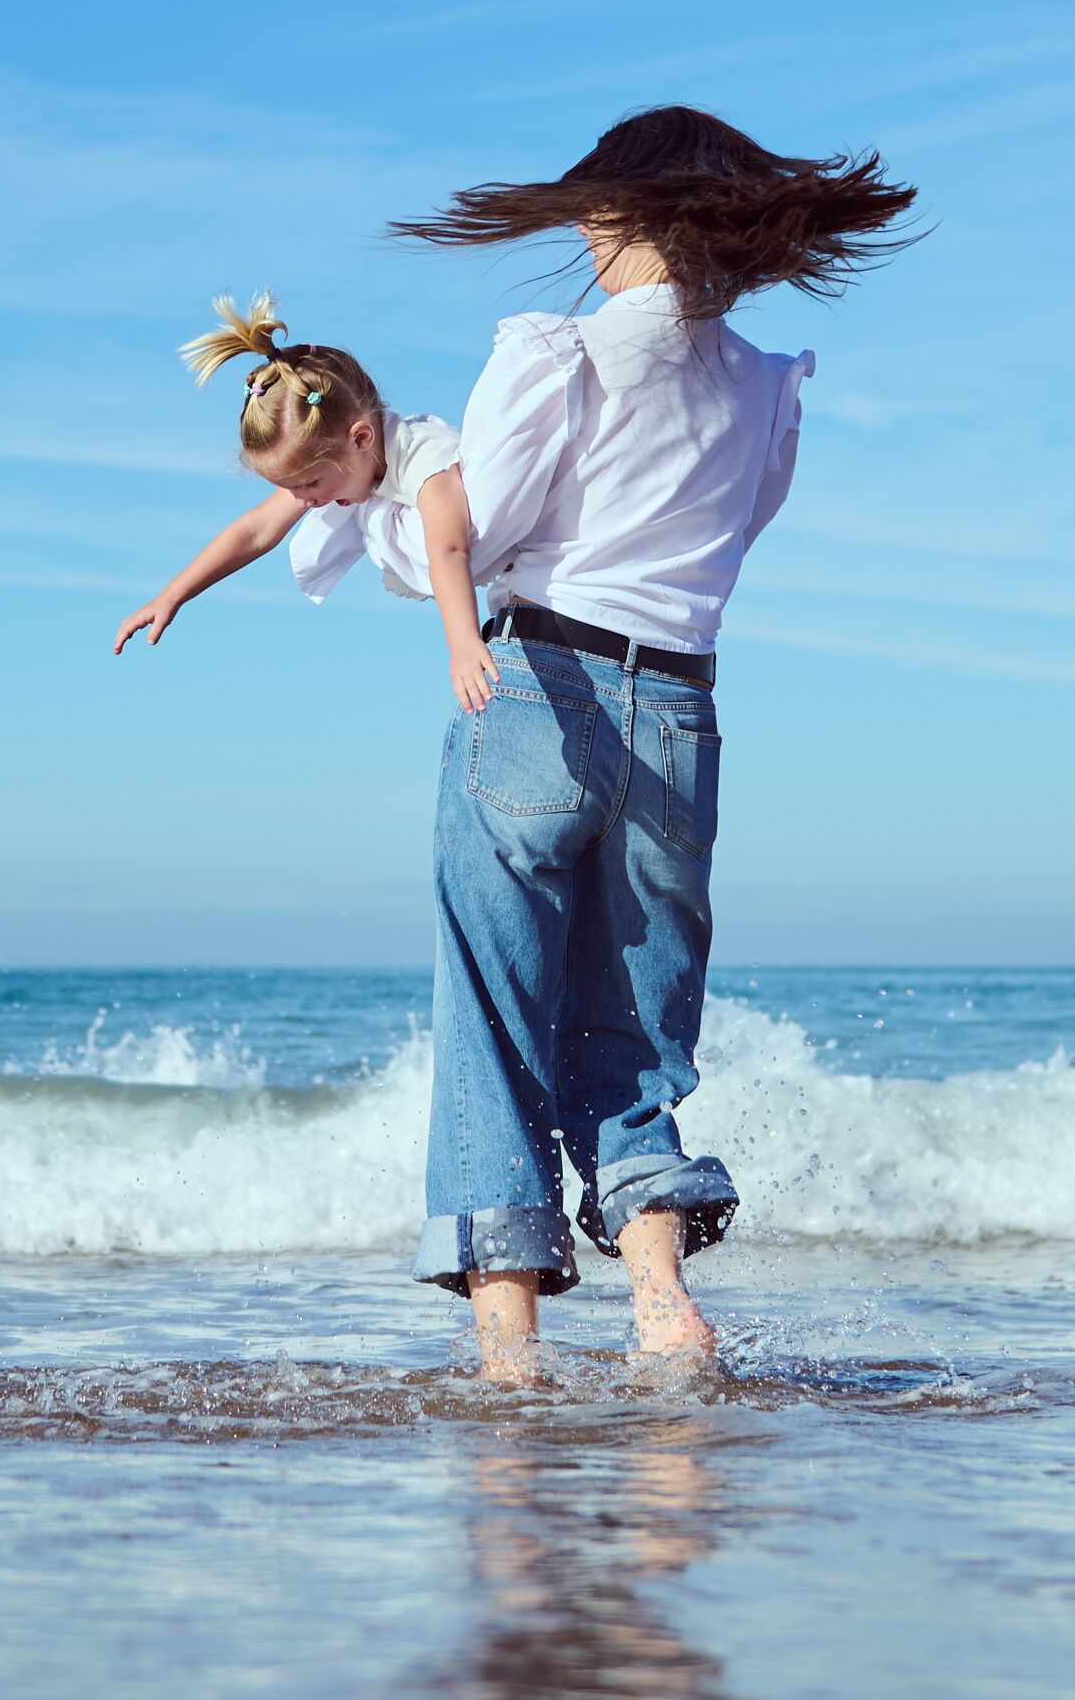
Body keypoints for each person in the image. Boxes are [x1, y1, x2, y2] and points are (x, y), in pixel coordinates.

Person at [390, 107, 917, 1380]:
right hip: (681, 713)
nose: (577, 227)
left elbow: (461, 543)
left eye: (594, 208)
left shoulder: (556, 351)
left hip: (537, 693)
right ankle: (662, 1304)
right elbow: (725, 546)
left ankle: (509, 1347)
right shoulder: (764, 385)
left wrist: (390, 522)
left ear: (633, 216)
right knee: (629, 1029)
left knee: (496, 1015)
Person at [114, 295, 503, 713]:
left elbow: (448, 548)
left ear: (361, 438)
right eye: (293, 488)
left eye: (309, 484)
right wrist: (172, 596)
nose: (303, 500)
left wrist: (463, 641)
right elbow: (256, 531)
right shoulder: (341, 461)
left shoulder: (424, 459)